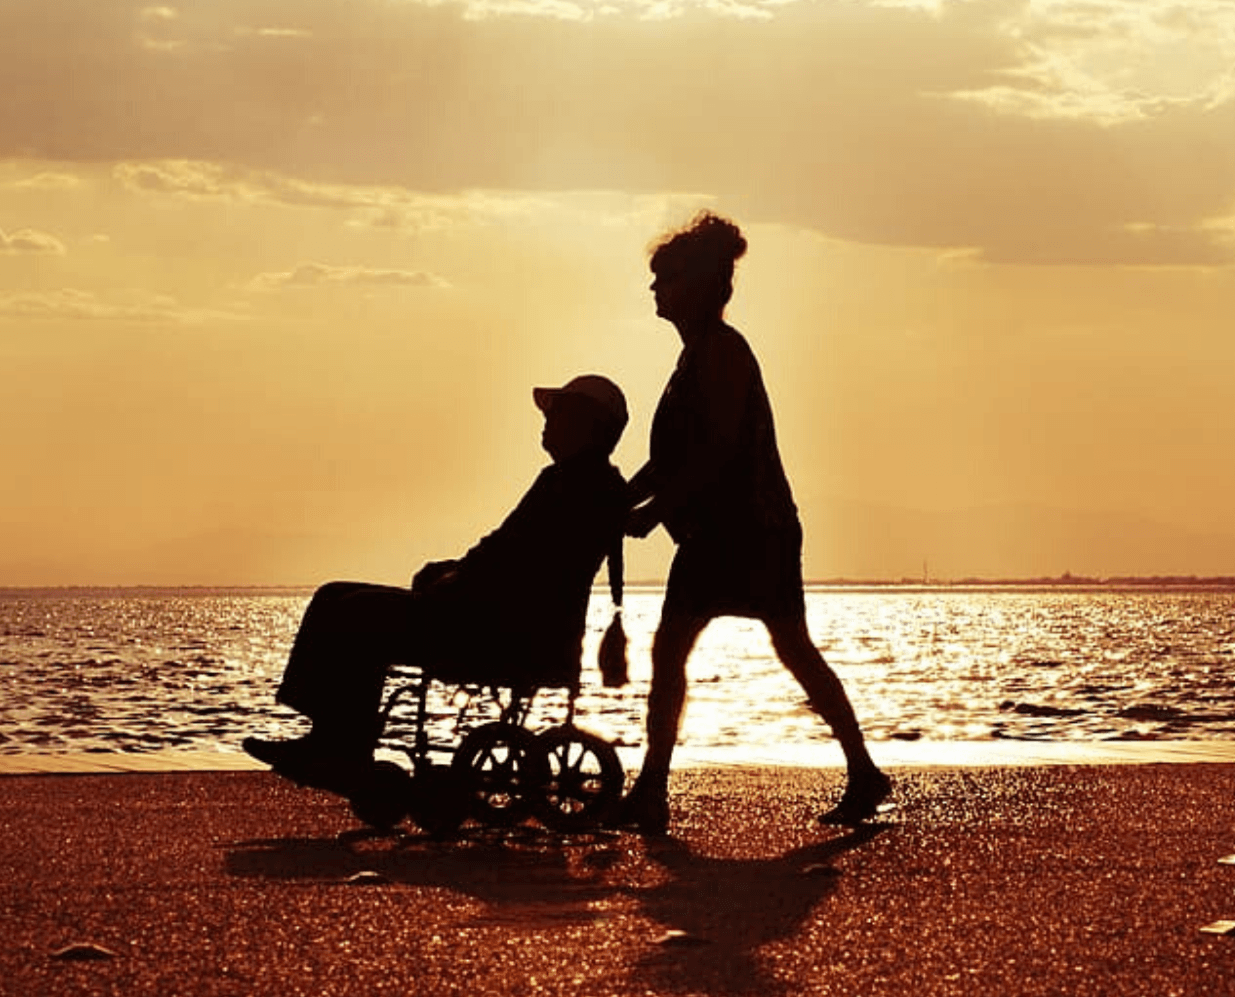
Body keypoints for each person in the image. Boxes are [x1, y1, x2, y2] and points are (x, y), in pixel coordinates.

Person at [615, 212, 891, 832]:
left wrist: (652, 513)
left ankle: (861, 772)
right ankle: (653, 788)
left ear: (699, 285)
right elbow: (668, 460)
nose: (654, 290)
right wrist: (620, 497)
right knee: (681, 651)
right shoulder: (693, 358)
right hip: (713, 532)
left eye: (664, 280)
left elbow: (713, 450)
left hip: (751, 531)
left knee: (789, 650)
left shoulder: (724, 354)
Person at [244, 375, 630, 792]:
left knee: (354, 612)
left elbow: (511, 562)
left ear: (585, 425)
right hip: (495, 618)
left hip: (492, 630)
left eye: (557, 414)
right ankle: (329, 740)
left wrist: (453, 578)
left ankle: (341, 748)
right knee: (333, 594)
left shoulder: (571, 486)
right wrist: (455, 570)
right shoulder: (582, 482)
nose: (546, 422)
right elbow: (509, 554)